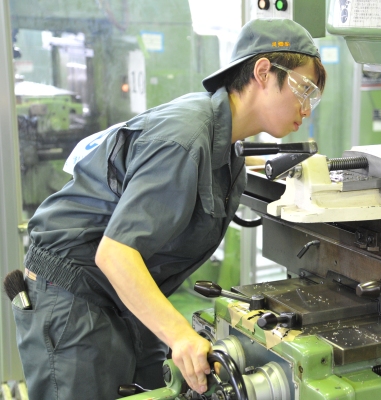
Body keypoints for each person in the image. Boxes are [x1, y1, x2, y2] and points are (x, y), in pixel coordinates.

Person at [12, 18, 326, 399]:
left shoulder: (227, 149)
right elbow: (115, 254)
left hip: (122, 297)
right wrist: (179, 335)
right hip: (73, 296)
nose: (307, 108)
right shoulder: (186, 138)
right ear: (263, 72)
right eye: (304, 89)